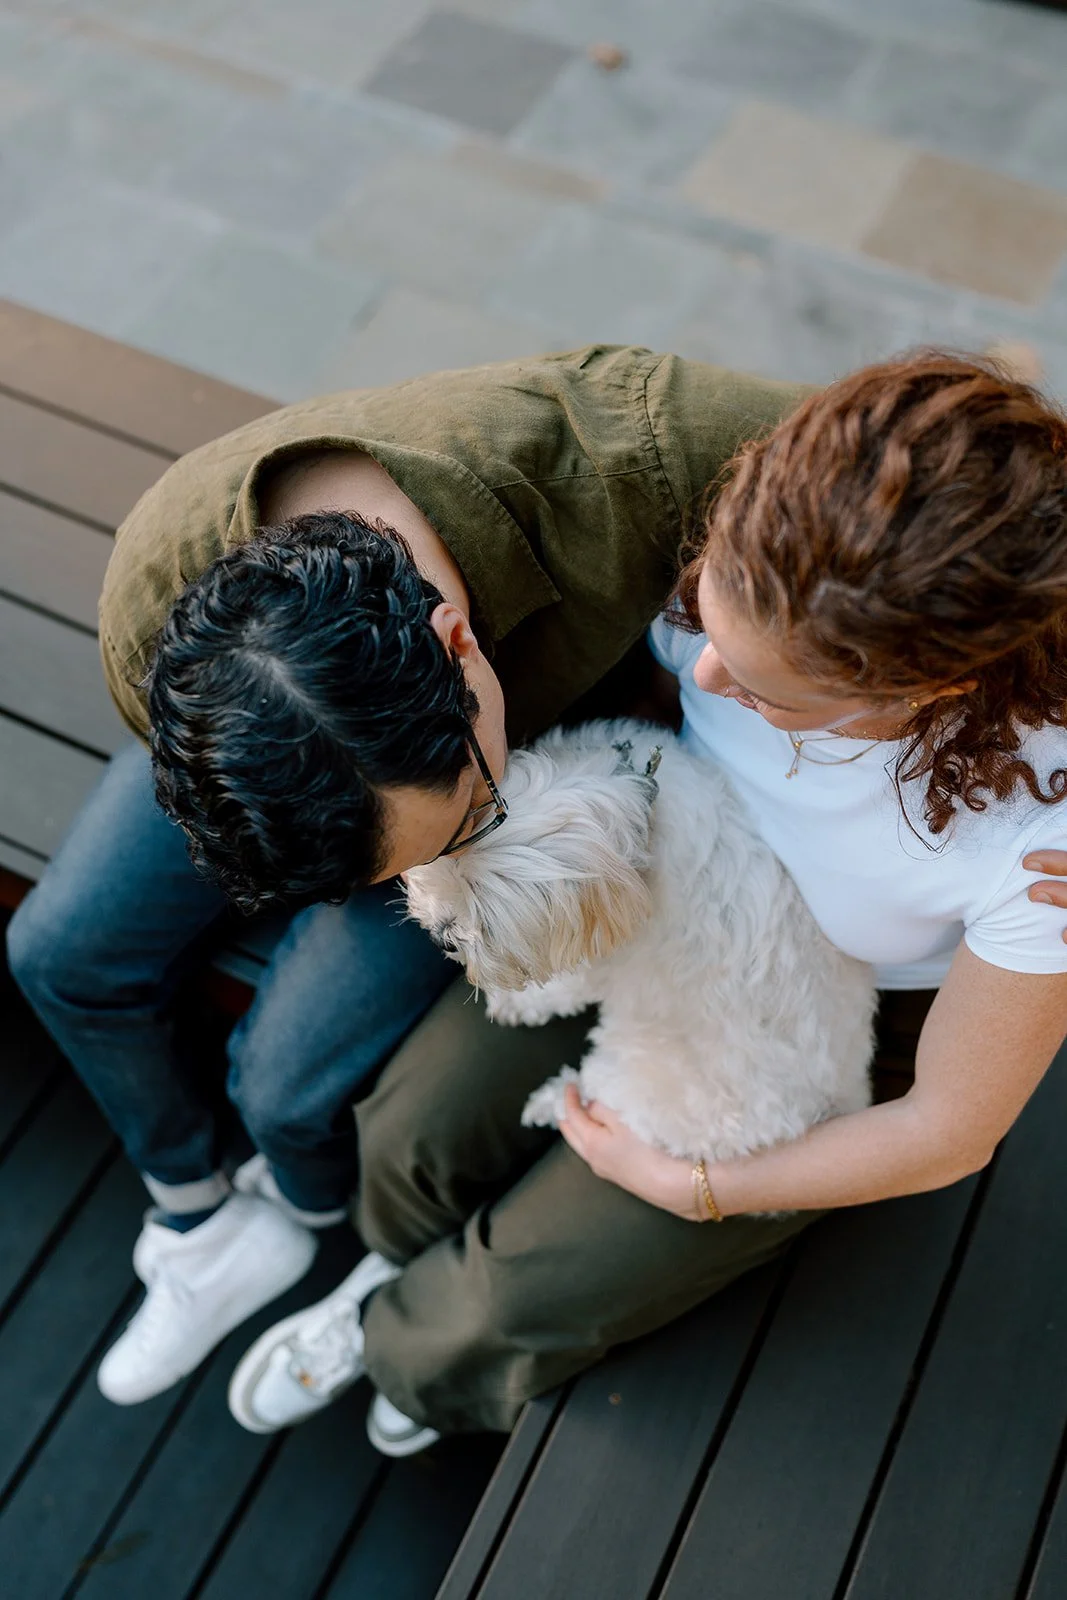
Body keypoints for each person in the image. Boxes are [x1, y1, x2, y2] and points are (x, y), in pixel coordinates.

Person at [175, 351, 1067, 1457]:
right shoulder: (772, 565)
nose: (704, 678)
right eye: (712, 620)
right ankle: (379, 1265)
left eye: (761, 688)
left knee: (501, 1302)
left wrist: (700, 1187)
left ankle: (409, 1355)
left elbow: (948, 1130)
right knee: (409, 1127)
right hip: (654, 886)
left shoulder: (1036, 841)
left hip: (826, 1019)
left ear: (920, 689)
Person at [5, 345, 803, 1419]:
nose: (415, 890)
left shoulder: (667, 450)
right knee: (58, 953)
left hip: (488, 766)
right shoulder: (151, 611)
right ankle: (196, 1214)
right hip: (300, 763)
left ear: (459, 642)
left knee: (284, 1083)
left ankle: (291, 1210)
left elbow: (969, 491)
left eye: (457, 827)